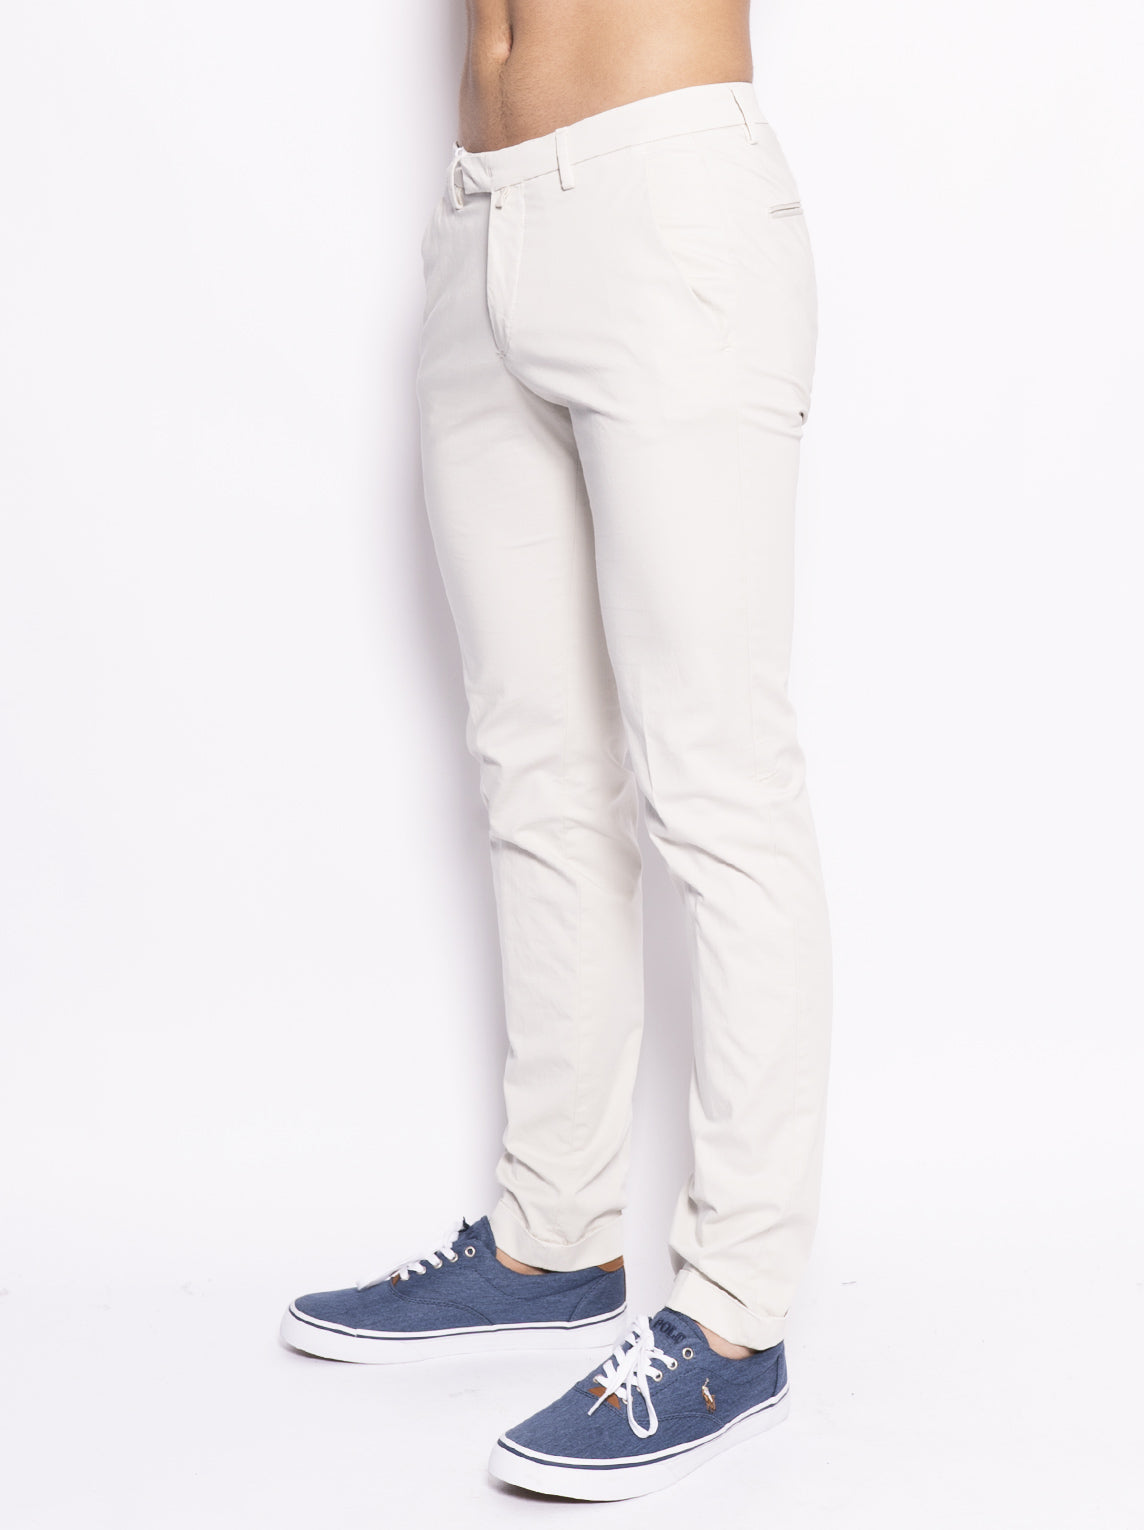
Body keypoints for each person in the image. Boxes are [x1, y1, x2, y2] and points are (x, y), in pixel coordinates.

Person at [280, 0, 833, 1500]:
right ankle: (551, 1238)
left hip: (664, 200)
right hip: (478, 219)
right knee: (539, 781)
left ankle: (734, 1318)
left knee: (716, 784)